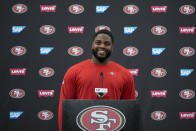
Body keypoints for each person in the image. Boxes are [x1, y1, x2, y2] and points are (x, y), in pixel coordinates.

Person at [58, 30, 136, 131]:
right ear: (92, 45)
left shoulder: (125, 74)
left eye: (107, 43)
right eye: (98, 42)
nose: (102, 46)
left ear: (112, 48)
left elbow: (130, 112)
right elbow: (64, 109)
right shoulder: (74, 71)